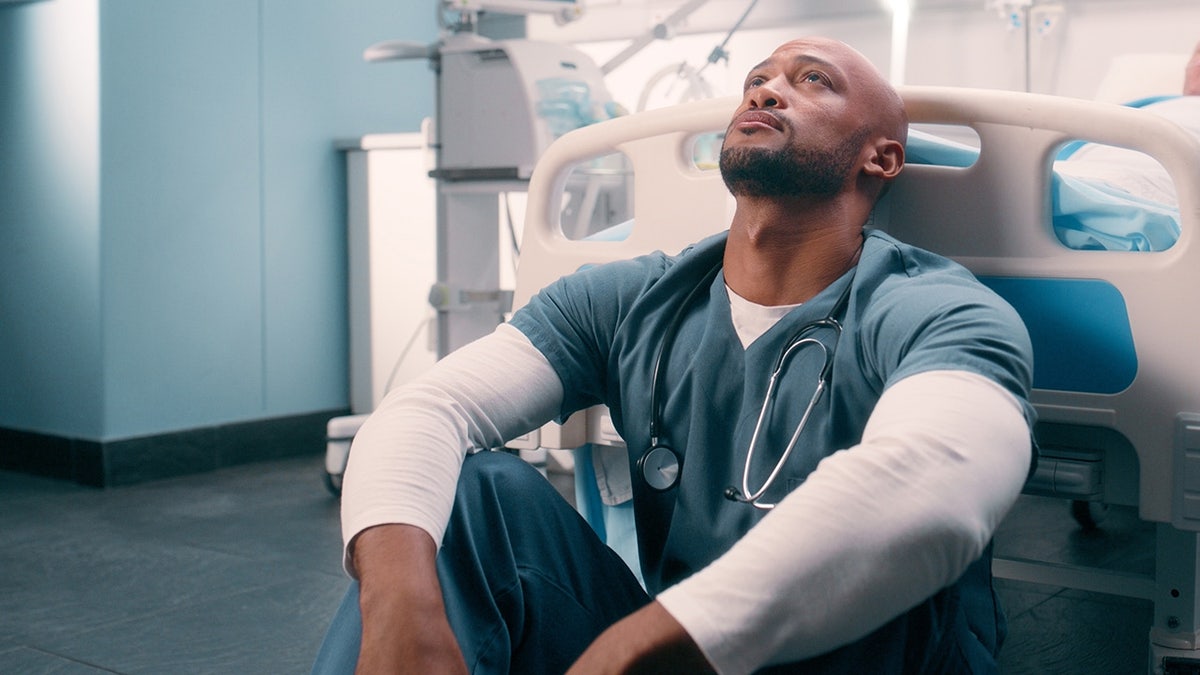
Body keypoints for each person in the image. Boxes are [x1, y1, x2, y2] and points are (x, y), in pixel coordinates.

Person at [312, 36, 1035, 674]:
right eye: (760, 77)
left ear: (882, 157)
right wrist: (402, 615)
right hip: (666, 658)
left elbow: (936, 485)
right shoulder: (629, 300)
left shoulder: (937, 309)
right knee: (483, 495)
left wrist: (642, 643)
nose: (767, 87)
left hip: (866, 653)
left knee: (892, 577)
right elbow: (428, 411)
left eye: (813, 80)